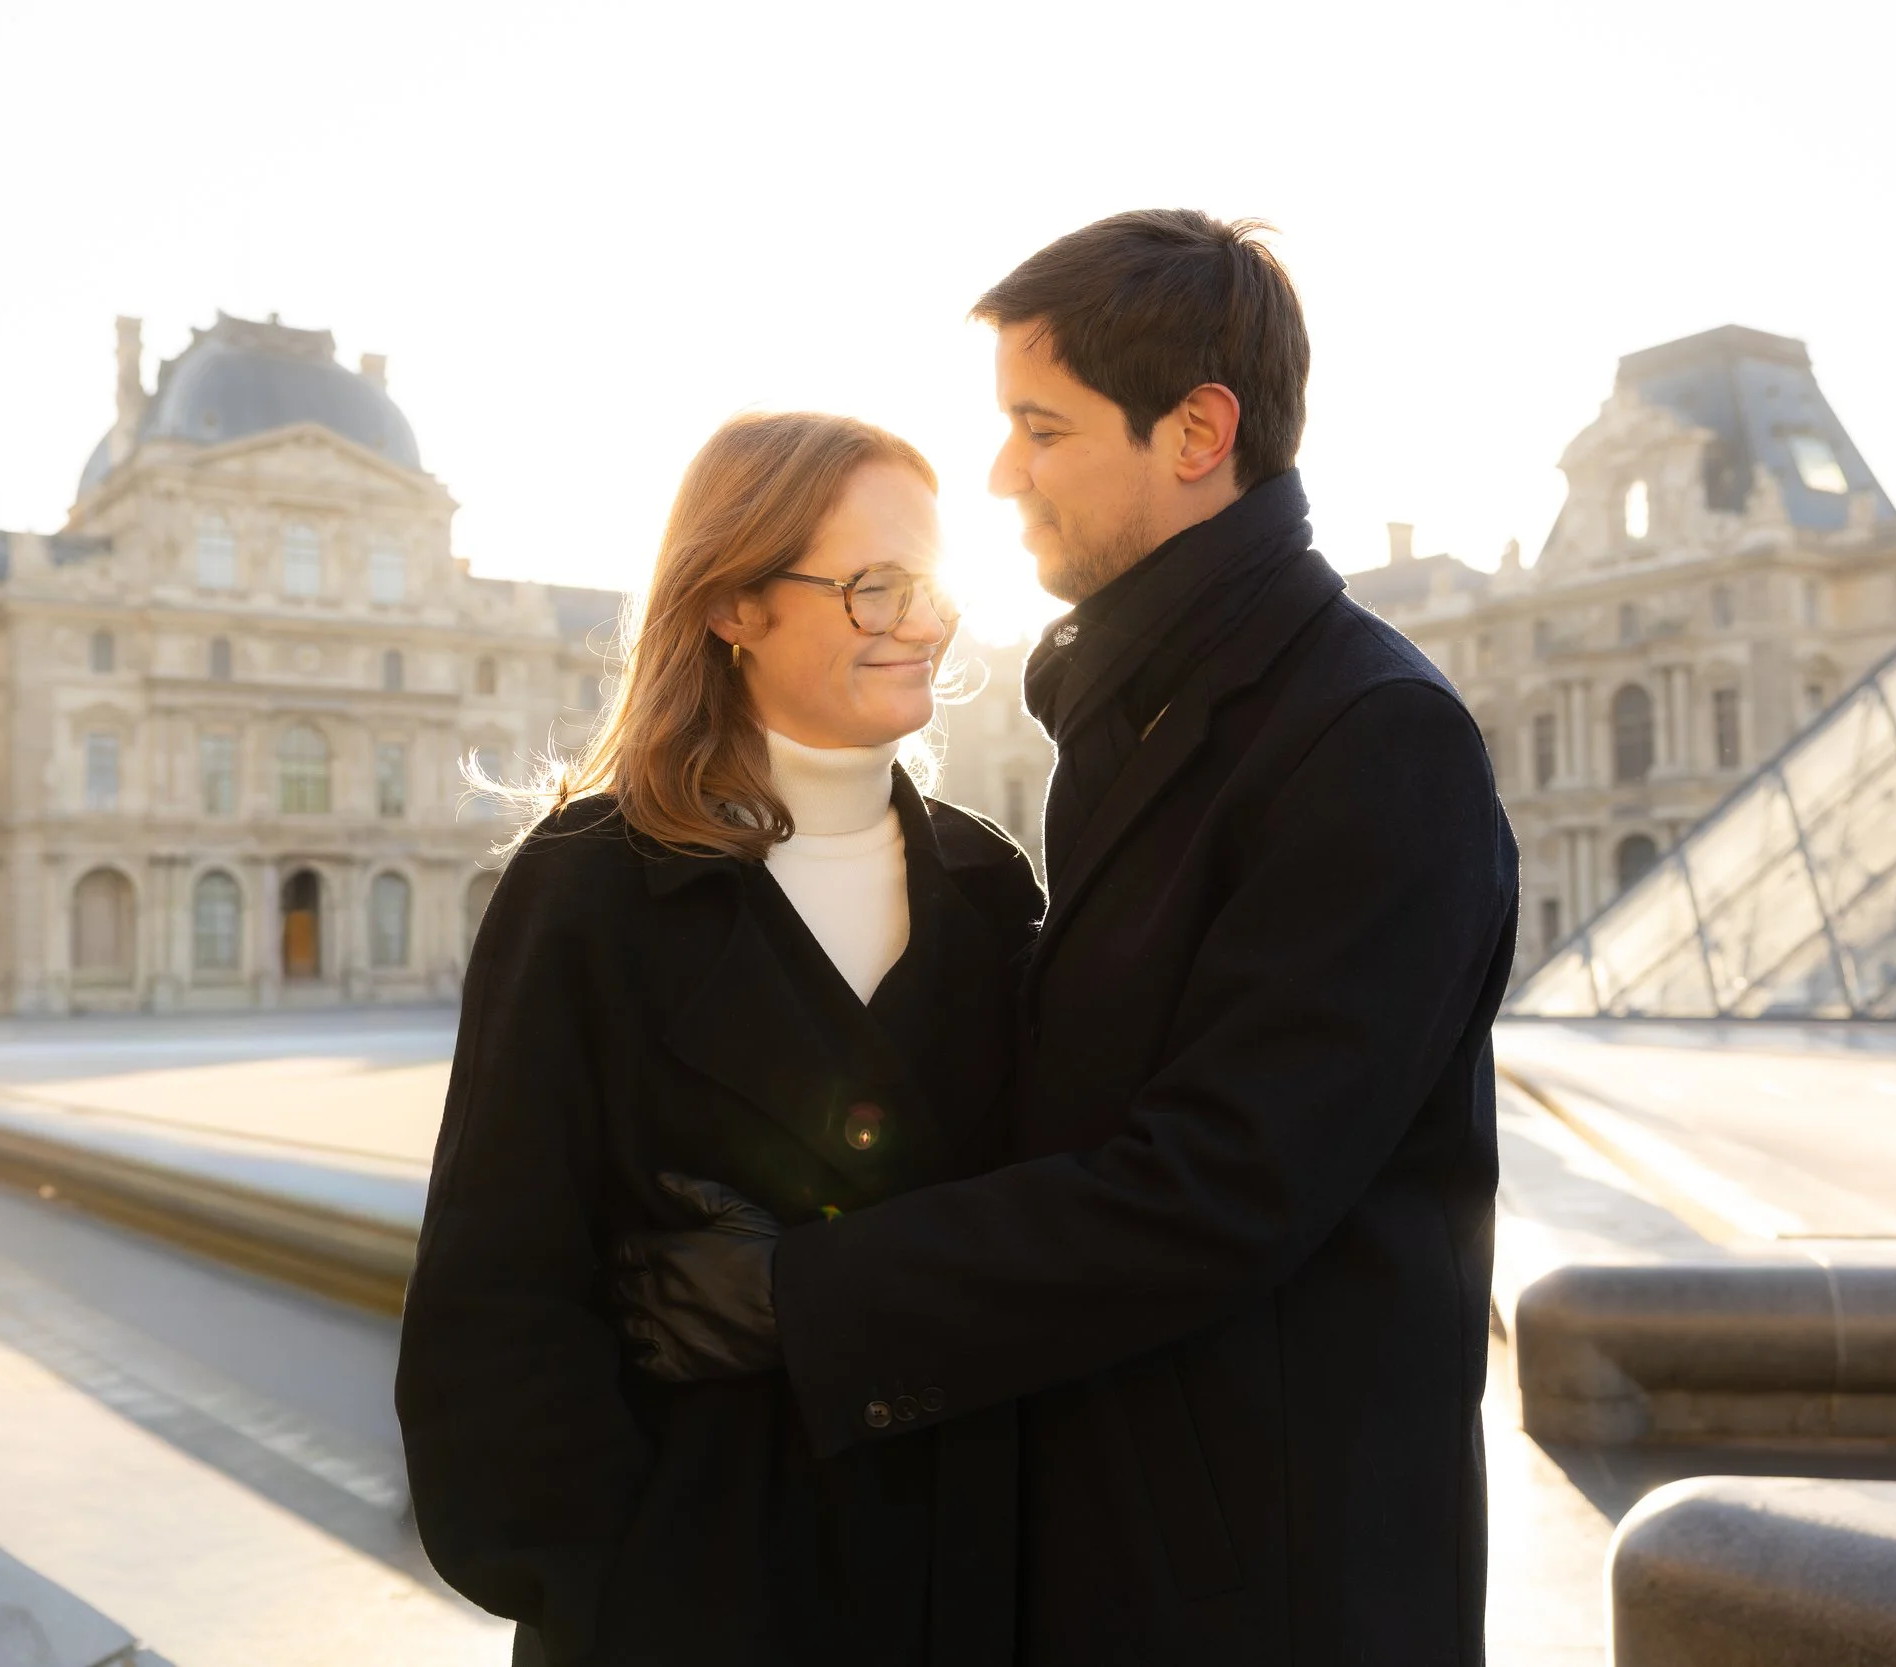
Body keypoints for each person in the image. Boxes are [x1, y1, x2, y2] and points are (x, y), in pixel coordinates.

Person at [613, 210, 1521, 1665]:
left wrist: (806, 1292)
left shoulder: (1371, 737)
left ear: (1196, 431)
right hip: (1142, 1544)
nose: (1000, 474)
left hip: (1272, 1593)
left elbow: (1218, 1185)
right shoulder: (1152, 702)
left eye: (1041, 427)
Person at [395, 411, 1042, 1667]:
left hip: (958, 1583)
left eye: (933, 583)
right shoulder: (586, 882)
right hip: (693, 1599)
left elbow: (1046, 1227)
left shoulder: (989, 879)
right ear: (735, 604)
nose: (926, 621)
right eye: (874, 587)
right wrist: (605, 1582)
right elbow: (498, 1292)